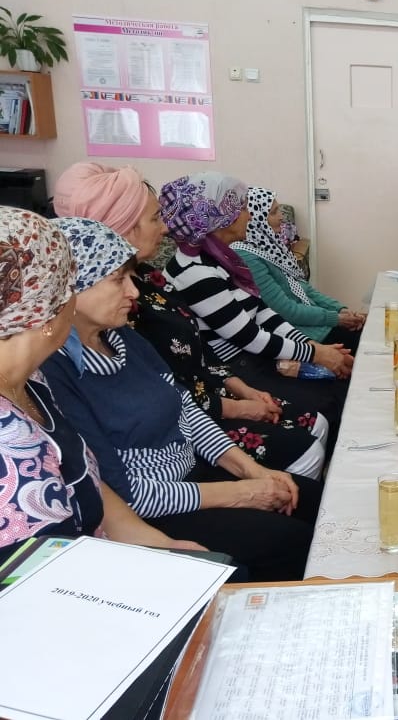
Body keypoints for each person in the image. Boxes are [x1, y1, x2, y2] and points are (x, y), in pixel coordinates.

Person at [41, 217, 320, 581]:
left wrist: (253, 471)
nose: (133, 292)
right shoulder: (57, 373)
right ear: (72, 289)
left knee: (313, 500)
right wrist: (240, 493)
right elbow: (125, 493)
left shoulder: (124, 339)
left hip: (191, 474)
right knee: (292, 543)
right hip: (155, 509)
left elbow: (186, 408)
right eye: (117, 280)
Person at [52, 162, 327, 478]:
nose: (165, 228)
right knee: (309, 440)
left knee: (317, 421)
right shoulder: (117, 310)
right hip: (190, 425)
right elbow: (169, 396)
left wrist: (243, 390)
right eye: (155, 218)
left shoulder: (150, 278)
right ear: (124, 227)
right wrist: (242, 406)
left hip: (209, 395)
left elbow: (197, 349)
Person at [0, 208, 204, 564]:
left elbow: (92, 484)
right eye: (69, 286)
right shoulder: (9, 441)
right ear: (48, 308)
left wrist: (162, 545)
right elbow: (40, 576)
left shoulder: (31, 380)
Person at [158, 172, 350, 442]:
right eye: (242, 209)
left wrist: (313, 347)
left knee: (339, 389)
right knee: (327, 403)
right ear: (221, 218)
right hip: (235, 371)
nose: (249, 215)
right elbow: (247, 336)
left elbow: (262, 311)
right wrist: (316, 354)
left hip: (254, 360)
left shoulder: (219, 257)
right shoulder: (194, 272)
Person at [231, 186, 365, 349]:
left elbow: (305, 290)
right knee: (370, 342)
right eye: (273, 212)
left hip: (314, 324)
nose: (281, 217)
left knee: (370, 330)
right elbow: (285, 310)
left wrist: (341, 310)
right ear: (254, 217)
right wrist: (336, 319)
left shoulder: (270, 247)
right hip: (298, 334)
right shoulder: (247, 256)